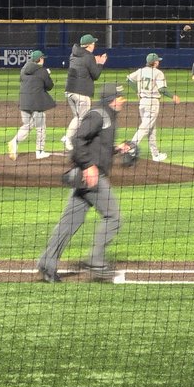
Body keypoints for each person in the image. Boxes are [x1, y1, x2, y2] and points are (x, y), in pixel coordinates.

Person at [36, 83, 128, 283]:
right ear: (111, 99)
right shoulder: (98, 115)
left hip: (84, 178)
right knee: (113, 217)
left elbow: (97, 146)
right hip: (90, 178)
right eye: (120, 97)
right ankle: (96, 261)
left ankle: (46, 264)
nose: (123, 100)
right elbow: (77, 140)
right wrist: (88, 166)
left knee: (69, 223)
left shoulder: (107, 116)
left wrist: (116, 149)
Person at [126, 53, 180, 162]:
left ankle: (155, 154)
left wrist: (137, 91)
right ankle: (131, 147)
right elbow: (162, 89)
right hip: (152, 103)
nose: (159, 62)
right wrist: (173, 96)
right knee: (145, 127)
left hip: (142, 103)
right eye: (158, 60)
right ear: (154, 62)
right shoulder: (158, 73)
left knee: (151, 129)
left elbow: (128, 80)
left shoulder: (140, 71)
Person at [7, 50, 56, 160]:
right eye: (42, 58)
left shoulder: (23, 69)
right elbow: (49, 86)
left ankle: (15, 141)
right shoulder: (42, 71)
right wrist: (47, 75)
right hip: (37, 103)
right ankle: (40, 151)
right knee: (41, 127)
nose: (43, 60)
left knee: (27, 125)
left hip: (24, 102)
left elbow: (24, 80)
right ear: (40, 59)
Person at [61, 34, 106, 151]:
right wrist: (100, 63)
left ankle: (70, 139)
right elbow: (95, 75)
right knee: (83, 119)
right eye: (93, 43)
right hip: (81, 92)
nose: (94, 45)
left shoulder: (73, 54)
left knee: (78, 117)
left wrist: (94, 61)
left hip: (69, 91)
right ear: (89, 45)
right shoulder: (89, 56)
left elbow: (84, 66)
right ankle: (70, 139)